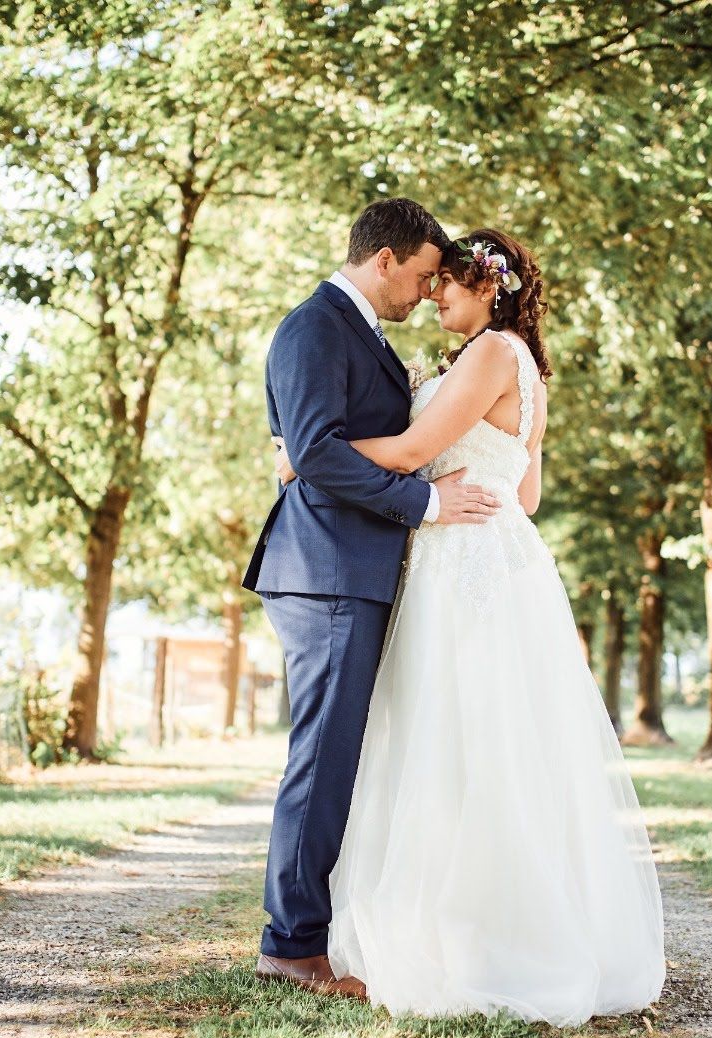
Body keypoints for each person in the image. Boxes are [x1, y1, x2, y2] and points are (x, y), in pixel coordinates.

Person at [275, 228, 666, 1025]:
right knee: (488, 744)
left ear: (487, 289)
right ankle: (484, 928)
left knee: (455, 742)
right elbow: (525, 497)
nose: (433, 297)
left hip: (463, 566)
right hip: (498, 557)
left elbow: (418, 448)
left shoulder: (490, 355)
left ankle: (469, 940)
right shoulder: (517, 363)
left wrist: (300, 458)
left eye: (444, 285)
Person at [241, 198, 503, 997]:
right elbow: (315, 452)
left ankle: (316, 934)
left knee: (344, 760)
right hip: (324, 571)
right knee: (321, 763)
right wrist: (426, 503)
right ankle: (290, 946)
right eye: (424, 275)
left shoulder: (359, 333)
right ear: (383, 259)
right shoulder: (316, 326)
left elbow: (312, 446)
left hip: (353, 569)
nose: (430, 291)